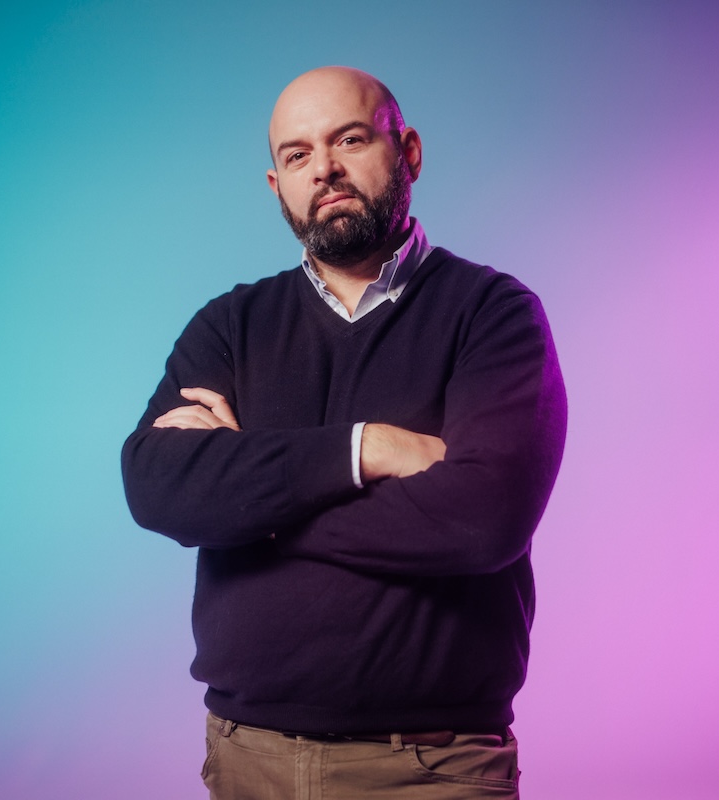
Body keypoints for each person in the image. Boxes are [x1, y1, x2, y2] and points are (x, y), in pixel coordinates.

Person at [121, 65, 567, 799]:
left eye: (349, 139)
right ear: (277, 185)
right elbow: (156, 486)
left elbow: (484, 522)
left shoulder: (493, 315)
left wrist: (252, 509)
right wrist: (366, 448)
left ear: (409, 151)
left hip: (432, 770)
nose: (323, 169)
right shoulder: (228, 327)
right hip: (247, 761)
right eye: (297, 155)